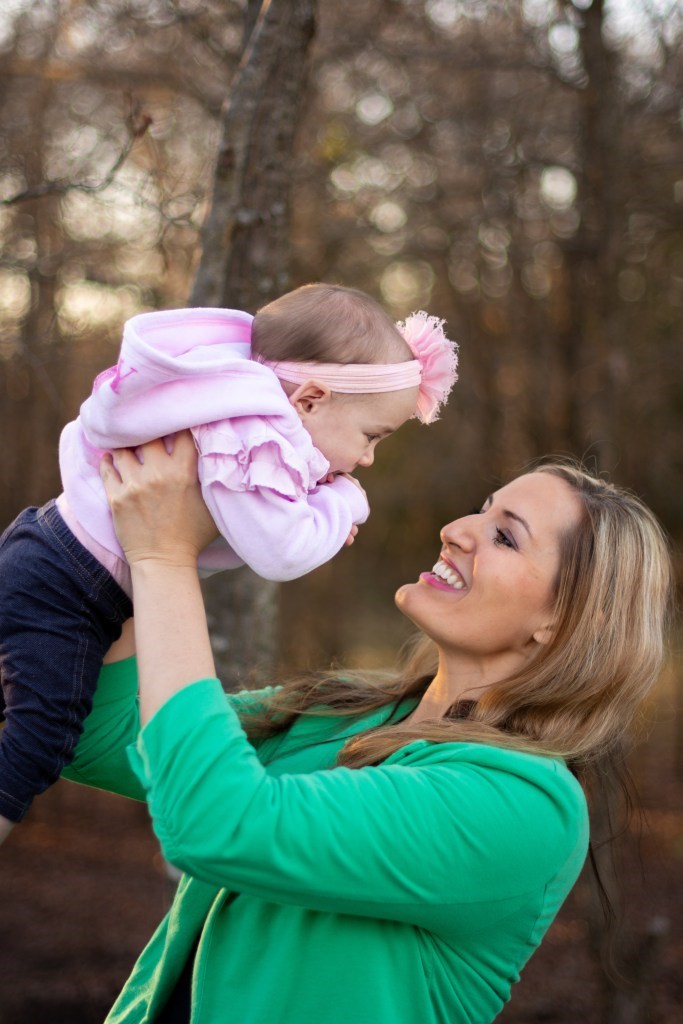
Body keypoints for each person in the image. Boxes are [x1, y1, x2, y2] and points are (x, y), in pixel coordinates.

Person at [62, 433, 671, 1024]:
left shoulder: (527, 807)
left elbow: (217, 823)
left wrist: (165, 555)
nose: (456, 530)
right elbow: (97, 733)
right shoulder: (353, 707)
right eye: (482, 511)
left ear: (561, 623)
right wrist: (175, 533)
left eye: (505, 537)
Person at [0, 283, 458, 839]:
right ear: (310, 399)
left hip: (52, 554)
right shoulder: (247, 438)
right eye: (370, 436)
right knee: (40, 734)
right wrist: (343, 503)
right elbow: (281, 553)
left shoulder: (234, 411)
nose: (366, 458)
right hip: (71, 585)